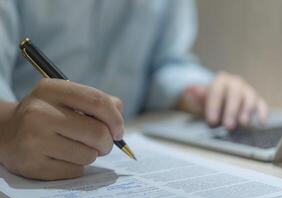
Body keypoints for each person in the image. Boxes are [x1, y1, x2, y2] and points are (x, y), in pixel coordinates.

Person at [0, 0, 268, 180]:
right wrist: (6, 125)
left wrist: (196, 91)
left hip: (133, 133)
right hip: (22, 159)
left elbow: (166, 62)